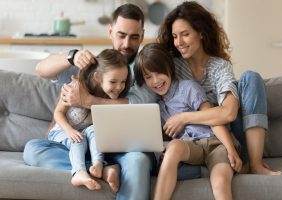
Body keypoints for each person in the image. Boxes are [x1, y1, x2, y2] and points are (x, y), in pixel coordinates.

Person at [23, 3, 201, 200]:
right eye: (121, 35)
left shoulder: (145, 71)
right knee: (33, 149)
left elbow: (136, 105)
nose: (126, 44)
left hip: (126, 150)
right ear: (110, 32)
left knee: (138, 161)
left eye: (134, 37)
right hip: (86, 147)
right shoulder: (93, 66)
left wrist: (88, 100)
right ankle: (103, 169)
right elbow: (41, 70)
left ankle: (104, 167)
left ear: (142, 36)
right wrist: (71, 56)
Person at [157, 1, 282, 175]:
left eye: (185, 34)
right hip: (193, 143)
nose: (179, 42)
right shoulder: (172, 67)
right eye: (175, 36)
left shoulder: (219, 66)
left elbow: (229, 113)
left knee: (251, 78)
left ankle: (255, 164)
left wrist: (183, 117)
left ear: (201, 33)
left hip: (229, 139)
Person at [134, 43, 242, 200]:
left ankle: (218, 168)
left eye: (159, 73)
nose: (156, 80)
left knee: (220, 182)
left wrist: (231, 150)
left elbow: (213, 119)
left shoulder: (188, 88)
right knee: (174, 146)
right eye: (148, 77)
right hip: (191, 147)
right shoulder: (157, 107)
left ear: (169, 68)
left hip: (215, 144)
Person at [48, 49, 130, 191]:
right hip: (63, 133)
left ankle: (98, 164)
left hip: (88, 142)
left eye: (123, 81)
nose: (119, 87)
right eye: (113, 81)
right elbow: (58, 113)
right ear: (98, 77)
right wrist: (70, 131)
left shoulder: (110, 100)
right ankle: (80, 172)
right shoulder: (76, 87)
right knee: (35, 148)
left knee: (93, 130)